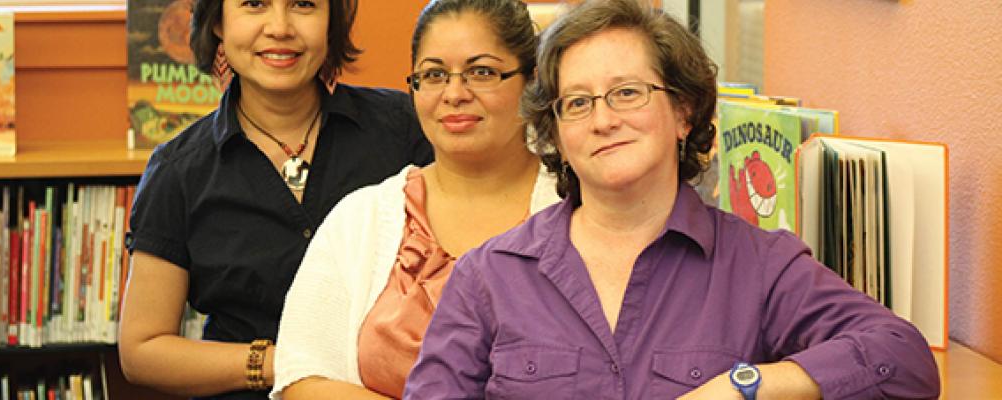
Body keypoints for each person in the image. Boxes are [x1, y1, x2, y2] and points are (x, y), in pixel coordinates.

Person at [403, 0, 941, 399]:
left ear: (683, 113)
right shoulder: (488, 276)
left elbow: (904, 358)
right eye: (578, 102)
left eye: (628, 93)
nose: (604, 119)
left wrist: (743, 386)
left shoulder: (759, 265)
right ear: (558, 135)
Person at [118, 0, 433, 398]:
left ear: (330, 21)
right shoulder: (178, 171)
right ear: (218, 22)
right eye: (254, 4)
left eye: (303, 4)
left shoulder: (405, 129)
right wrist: (282, 364)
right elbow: (142, 350)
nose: (280, 27)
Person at [270, 1, 557, 399]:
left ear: (531, 82)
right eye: (434, 75)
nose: (455, 94)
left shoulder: (581, 209)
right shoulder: (362, 219)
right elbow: (301, 378)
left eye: (482, 72)